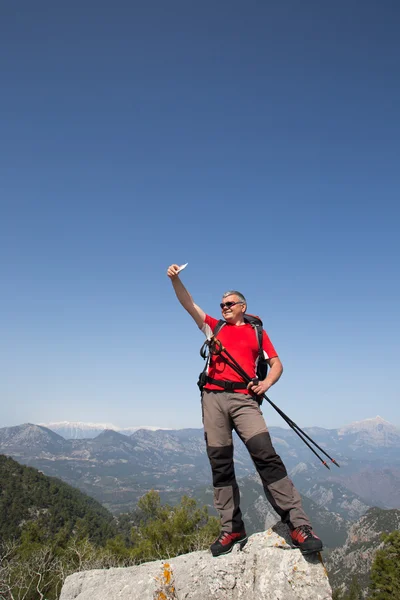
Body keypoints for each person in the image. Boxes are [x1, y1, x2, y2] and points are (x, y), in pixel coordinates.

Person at [167, 264, 323, 557]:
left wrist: (265, 384)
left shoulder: (257, 333)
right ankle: (232, 528)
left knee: (267, 457)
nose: (224, 307)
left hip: (244, 400)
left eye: (229, 304)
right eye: (222, 304)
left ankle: (299, 525)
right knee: (220, 464)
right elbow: (188, 303)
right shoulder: (214, 326)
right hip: (212, 398)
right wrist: (176, 279)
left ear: (243, 306)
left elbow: (277, 364)